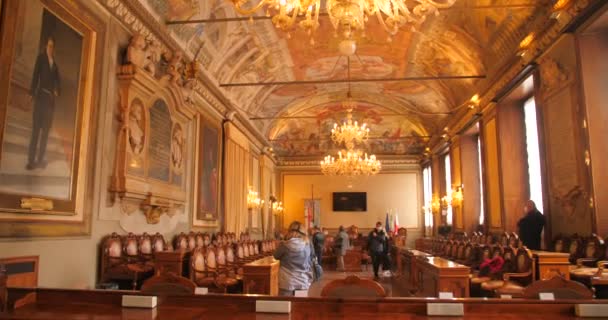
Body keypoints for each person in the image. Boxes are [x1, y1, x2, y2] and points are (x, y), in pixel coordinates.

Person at [27, 36, 61, 170]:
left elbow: (58, 82)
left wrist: (57, 90)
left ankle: (40, 159)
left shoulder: (55, 66)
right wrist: (31, 93)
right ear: (46, 46)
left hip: (50, 103)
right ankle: (31, 161)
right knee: (36, 131)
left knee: (45, 133)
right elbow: (35, 76)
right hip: (40, 98)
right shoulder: (41, 59)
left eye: (53, 46)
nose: (50, 48)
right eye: (49, 45)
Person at [273, 221, 313, 296]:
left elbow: (275, 256)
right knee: (299, 305)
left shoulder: (284, 245)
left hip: (287, 280)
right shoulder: (307, 245)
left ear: (290, 231)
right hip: (303, 279)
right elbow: (308, 261)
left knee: (285, 306)